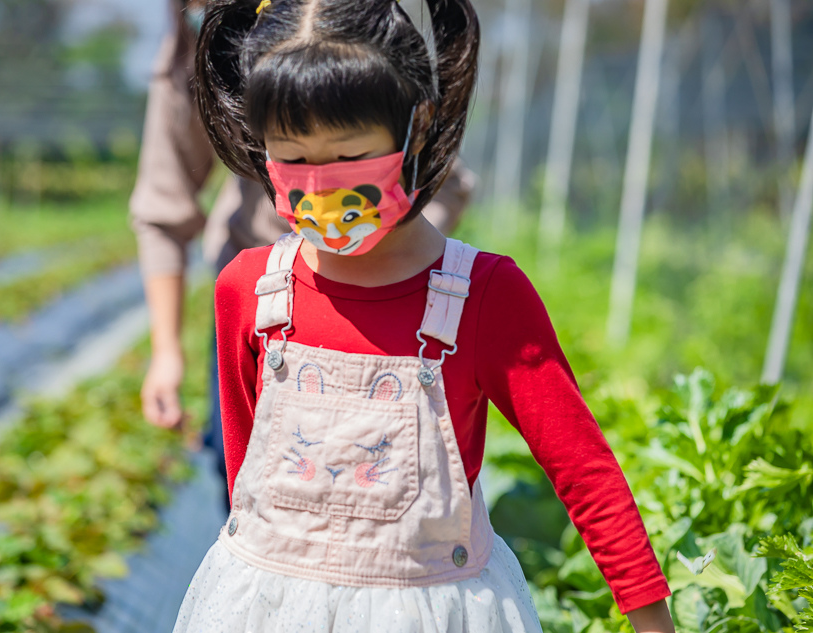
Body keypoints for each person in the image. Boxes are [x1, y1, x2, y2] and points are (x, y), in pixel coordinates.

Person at [171, 0, 678, 631]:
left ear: (420, 122)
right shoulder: (248, 291)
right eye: (293, 157)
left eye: (348, 153)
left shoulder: (482, 297)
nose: (320, 185)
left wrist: (652, 621)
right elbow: (250, 489)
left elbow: (585, 473)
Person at [129, 0, 475, 503]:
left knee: (380, 483)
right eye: (290, 154)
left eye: (349, 155)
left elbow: (440, 178)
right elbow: (164, 201)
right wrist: (166, 351)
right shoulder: (197, 39)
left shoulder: (344, 29)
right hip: (267, 312)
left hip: (385, 306)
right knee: (252, 481)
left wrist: (386, 262)